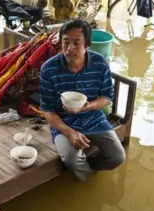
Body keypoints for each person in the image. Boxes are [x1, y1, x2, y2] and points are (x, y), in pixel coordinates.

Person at [39, 19, 126, 181]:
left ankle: (91, 168)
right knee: (73, 161)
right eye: (66, 42)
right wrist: (69, 133)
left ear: (87, 45)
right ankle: (87, 179)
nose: (70, 48)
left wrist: (87, 106)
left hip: (93, 118)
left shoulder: (100, 63)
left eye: (76, 43)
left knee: (117, 157)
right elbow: (48, 110)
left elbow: (107, 97)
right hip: (63, 123)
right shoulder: (49, 69)